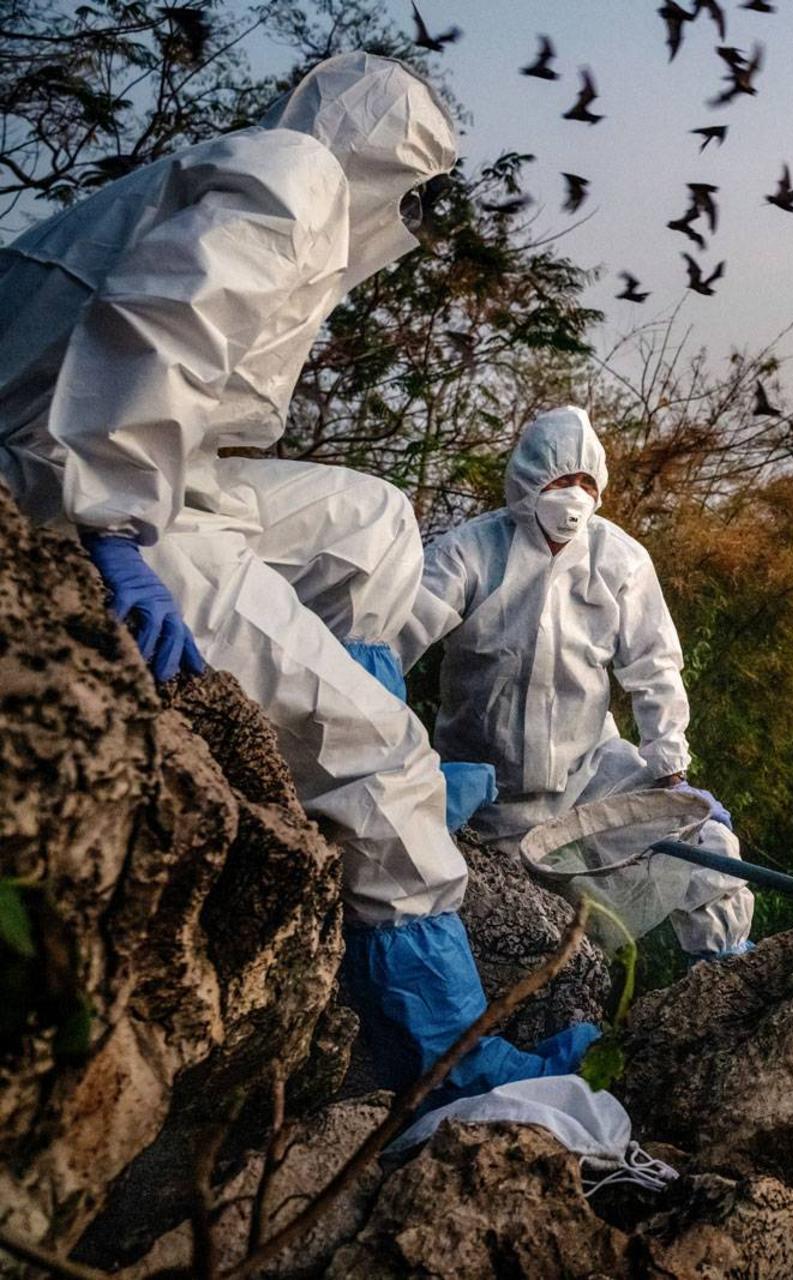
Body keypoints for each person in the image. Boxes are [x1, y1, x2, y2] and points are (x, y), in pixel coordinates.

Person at [0, 52, 598, 1103]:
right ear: (383, 159)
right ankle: (448, 1061)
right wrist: (113, 526)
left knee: (369, 522)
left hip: (131, 466)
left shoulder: (266, 172)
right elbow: (162, 324)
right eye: (414, 186)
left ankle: (339, 712)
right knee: (389, 758)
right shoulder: (297, 176)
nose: (412, 214)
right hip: (77, 484)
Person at [399, 406, 755, 963]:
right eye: (562, 481)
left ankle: (726, 966)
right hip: (485, 795)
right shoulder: (469, 553)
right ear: (528, 482)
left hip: (592, 776)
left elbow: (654, 667)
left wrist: (670, 767)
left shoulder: (620, 561)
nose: (575, 496)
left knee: (706, 842)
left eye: (587, 483)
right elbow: (396, 638)